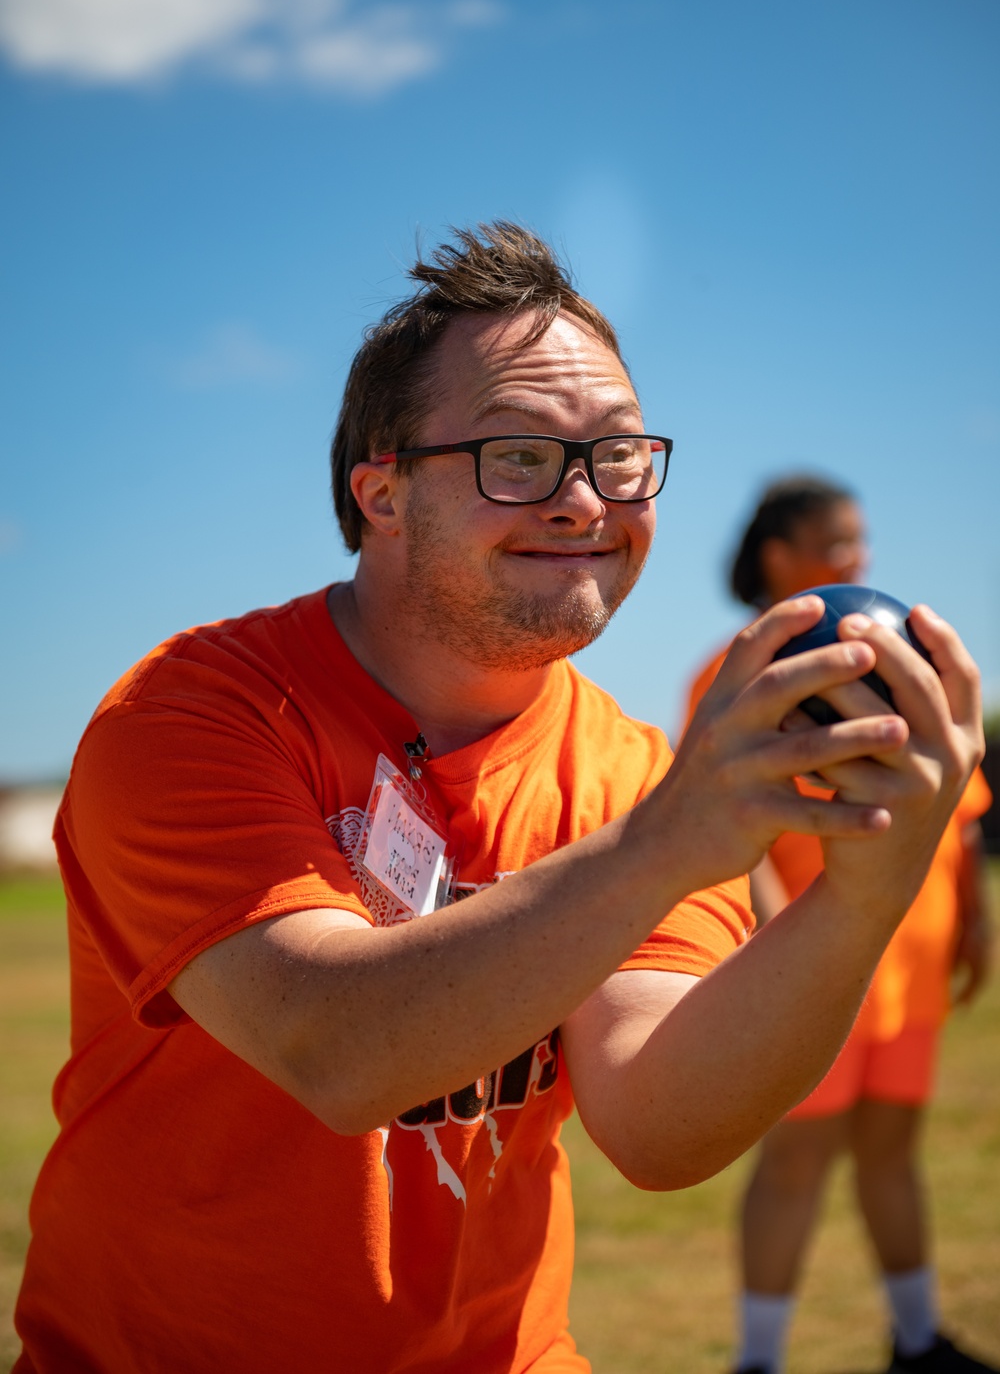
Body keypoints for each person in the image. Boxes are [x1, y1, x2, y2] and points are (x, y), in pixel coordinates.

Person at [14, 227, 984, 1374]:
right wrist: (664, 839)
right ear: (379, 491)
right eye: (518, 456)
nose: (585, 502)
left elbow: (660, 1124)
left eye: (620, 457)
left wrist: (866, 894)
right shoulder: (192, 713)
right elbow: (333, 1046)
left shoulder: (624, 769)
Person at [682, 475, 995, 1374]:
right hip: (818, 962)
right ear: (780, 557)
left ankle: (917, 1340)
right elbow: (724, 835)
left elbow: (956, 810)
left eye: (861, 543)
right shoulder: (735, 673)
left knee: (893, 1150)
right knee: (798, 1160)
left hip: (916, 953)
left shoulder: (892, 654)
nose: (861, 560)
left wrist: (975, 920)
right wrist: (772, 954)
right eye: (839, 542)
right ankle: (759, 1360)